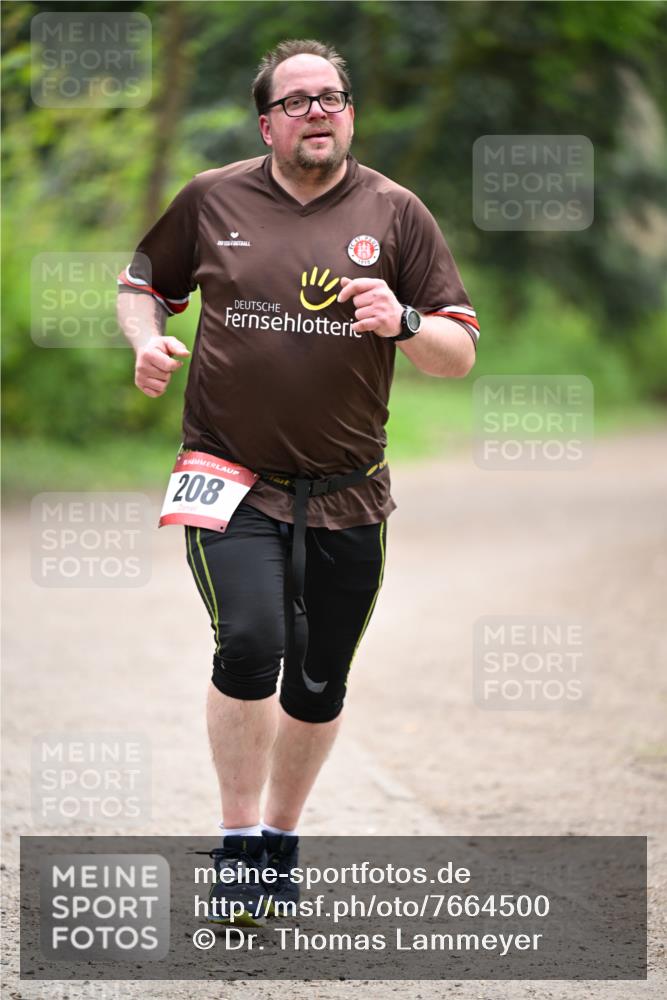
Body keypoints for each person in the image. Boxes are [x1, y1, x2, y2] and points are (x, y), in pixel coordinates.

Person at [117, 38, 479, 924]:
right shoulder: (211, 198)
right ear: (267, 121)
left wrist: (404, 320)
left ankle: (279, 839)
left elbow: (458, 353)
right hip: (227, 473)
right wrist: (146, 342)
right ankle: (238, 843)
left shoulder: (396, 213)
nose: (319, 110)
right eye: (299, 99)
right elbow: (141, 286)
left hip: (350, 487)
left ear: (349, 112)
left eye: (332, 96)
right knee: (249, 644)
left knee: (318, 680)